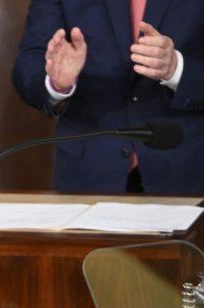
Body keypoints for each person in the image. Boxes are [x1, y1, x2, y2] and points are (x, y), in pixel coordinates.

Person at [12, 0, 204, 194]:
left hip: (186, 169)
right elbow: (29, 64)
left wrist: (177, 69)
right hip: (89, 172)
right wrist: (56, 83)